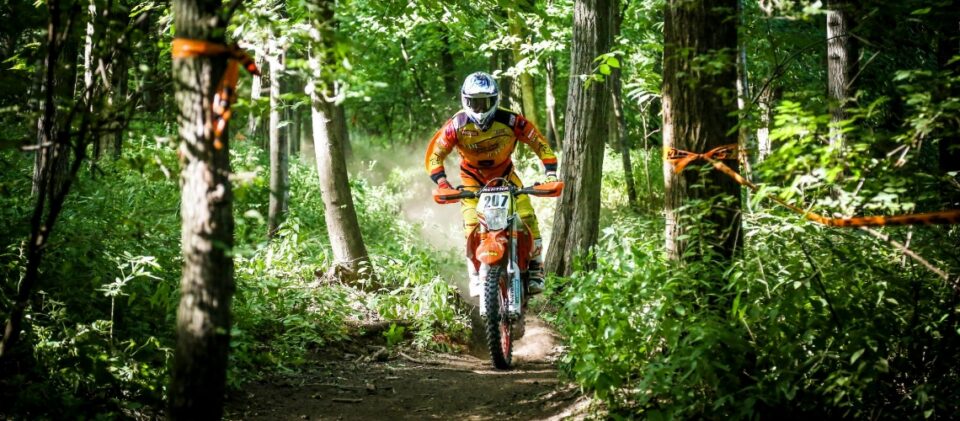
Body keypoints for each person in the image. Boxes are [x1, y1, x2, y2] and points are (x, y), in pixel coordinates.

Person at [425, 71, 558, 296]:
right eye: (474, 102)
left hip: (505, 176)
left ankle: (536, 268)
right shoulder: (456, 124)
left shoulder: (511, 120)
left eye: (484, 102)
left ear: (495, 100)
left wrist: (551, 173)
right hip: (472, 180)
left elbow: (539, 143)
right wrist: (443, 182)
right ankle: (475, 274)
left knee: (526, 215)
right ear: (465, 100)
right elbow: (435, 155)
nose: (479, 108)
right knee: (471, 224)